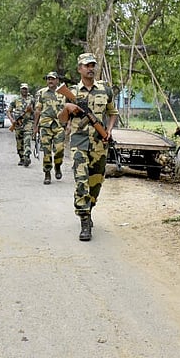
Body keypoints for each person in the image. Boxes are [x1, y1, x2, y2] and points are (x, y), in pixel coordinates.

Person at [57, 53, 117, 241]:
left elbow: (112, 112)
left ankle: (89, 208)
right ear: (79, 69)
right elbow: (62, 120)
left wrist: (108, 130)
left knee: (95, 183)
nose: (90, 68)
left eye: (92, 65)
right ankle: (84, 219)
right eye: (86, 65)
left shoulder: (105, 90)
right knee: (81, 181)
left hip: (99, 144)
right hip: (79, 142)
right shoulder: (72, 92)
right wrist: (67, 108)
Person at [34, 72, 66, 184]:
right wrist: (35, 126)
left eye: (52, 79)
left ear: (57, 80)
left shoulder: (63, 93)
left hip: (59, 125)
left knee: (59, 149)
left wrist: (69, 124)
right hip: (45, 125)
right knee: (46, 151)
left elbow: (69, 109)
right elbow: (38, 110)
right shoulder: (41, 93)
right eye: (48, 79)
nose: (50, 81)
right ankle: (47, 173)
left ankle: (57, 165)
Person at [8, 83, 35, 166]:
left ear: (28, 90)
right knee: (19, 141)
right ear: (20, 90)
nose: (24, 90)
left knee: (27, 139)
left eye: (25, 89)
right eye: (23, 89)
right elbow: (9, 111)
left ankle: (27, 156)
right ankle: (21, 158)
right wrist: (12, 120)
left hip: (28, 122)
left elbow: (37, 112)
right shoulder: (16, 99)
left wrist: (31, 110)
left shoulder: (32, 99)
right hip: (18, 123)